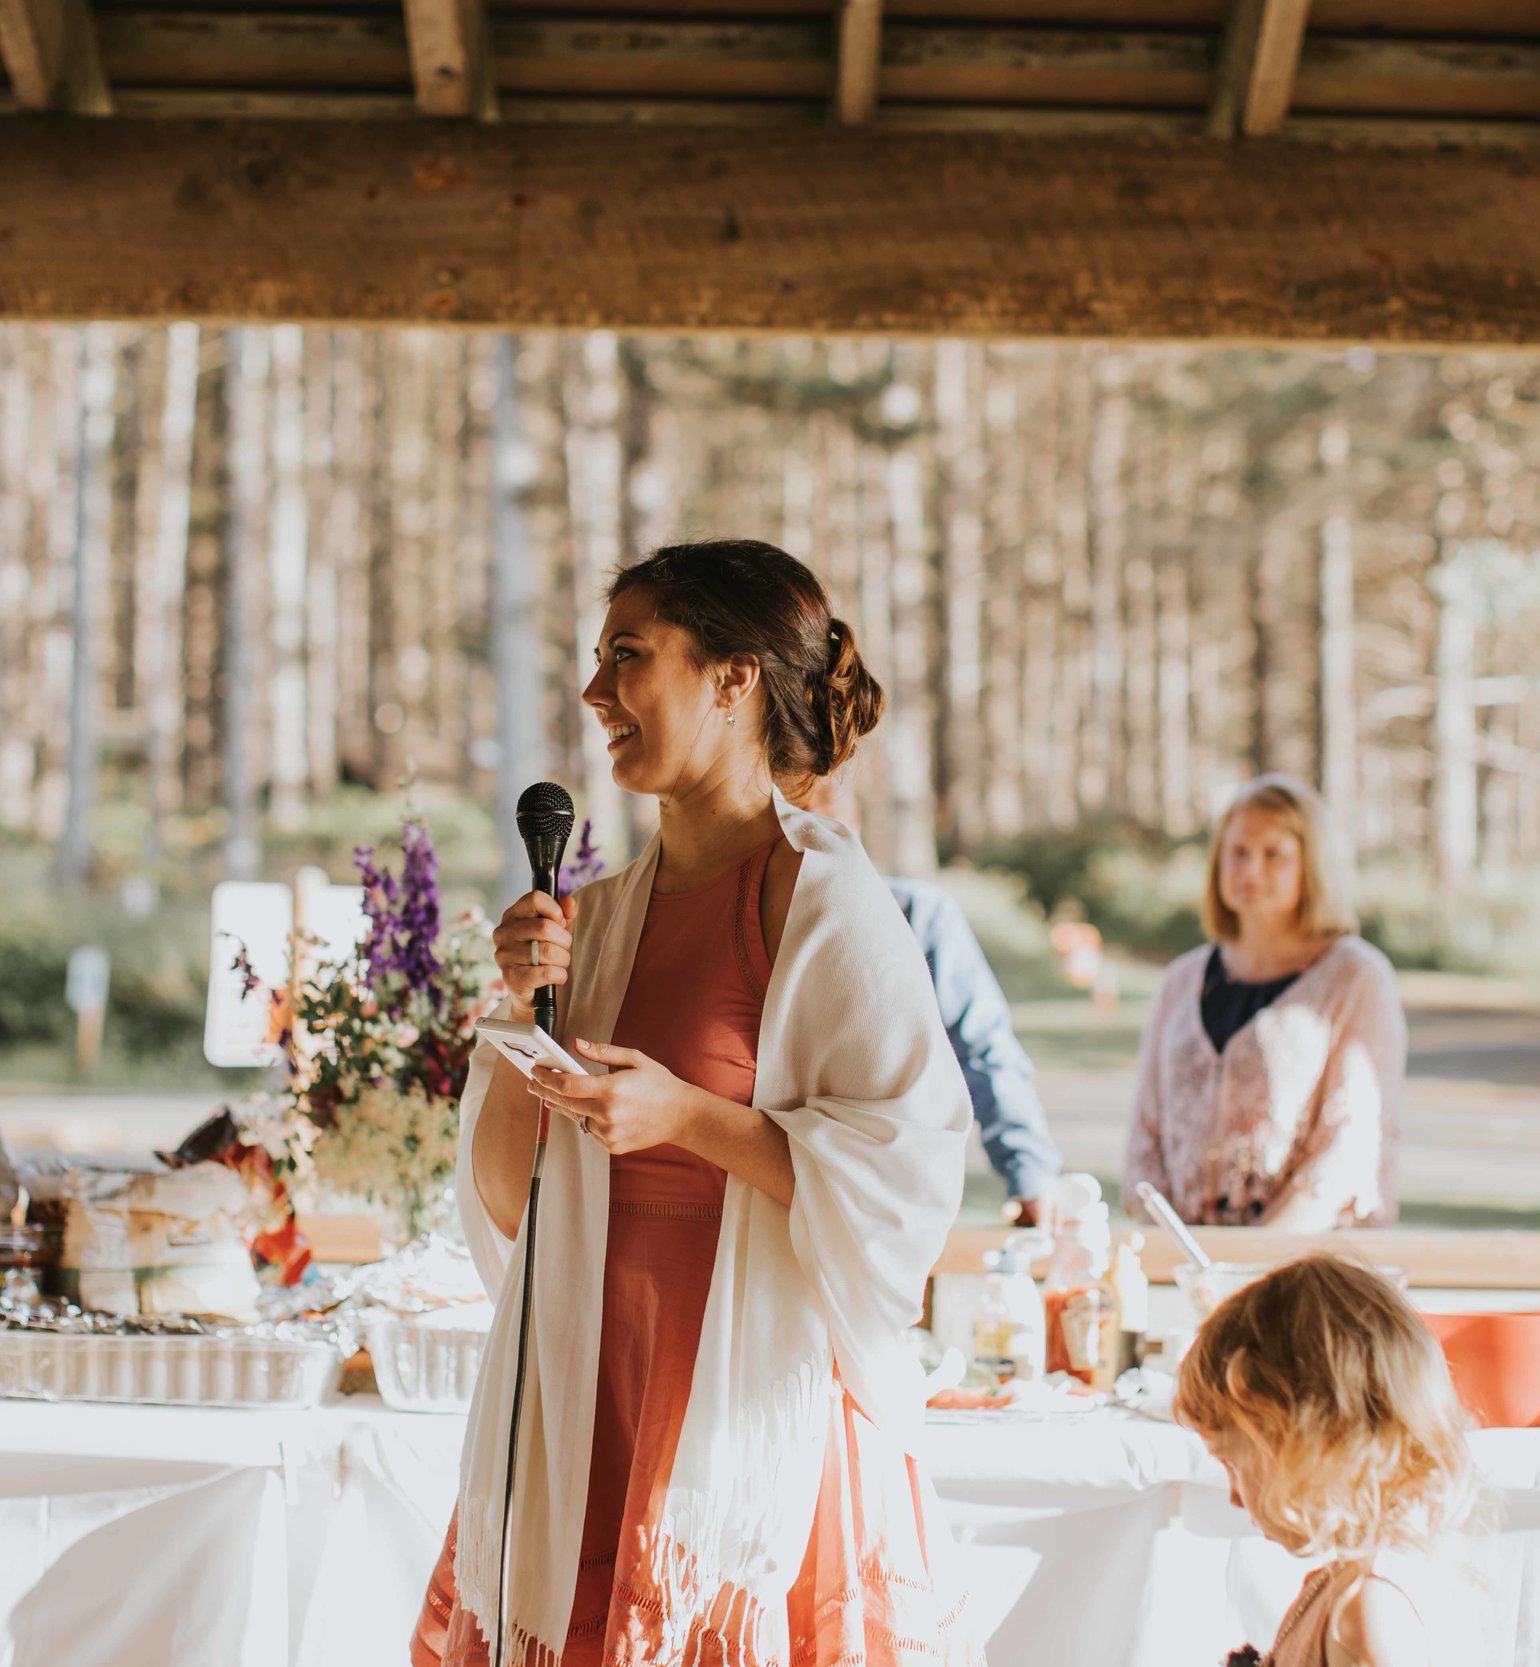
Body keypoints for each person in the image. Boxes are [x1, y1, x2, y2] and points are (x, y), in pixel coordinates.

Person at [414, 540, 981, 1667]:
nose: (594, 693)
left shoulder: (827, 901)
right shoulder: (600, 909)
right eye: (596, 659)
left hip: (742, 1408)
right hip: (586, 1390)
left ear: (735, 680)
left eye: (628, 655)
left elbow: (909, 1181)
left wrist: (692, 1119)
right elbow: (508, 1195)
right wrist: (511, 1009)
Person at [1124, 774, 1406, 1228]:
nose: (1250, 870)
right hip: (1184, 1263)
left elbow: (1348, 1147)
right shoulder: (1181, 981)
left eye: (1274, 854)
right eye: (1237, 853)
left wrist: (1253, 1263)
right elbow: (1145, 1137)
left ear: (1311, 865)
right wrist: (1185, 1257)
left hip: (1307, 1266)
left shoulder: (1355, 978)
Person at [1175, 1256, 1486, 1667]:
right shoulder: (1338, 1584)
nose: (1233, 1496)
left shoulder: (1370, 1614)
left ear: (1318, 1447)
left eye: (1234, 1463)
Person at [806, 772, 1062, 1225]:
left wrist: (1029, 1171)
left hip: (897, 1199)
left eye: (831, 828)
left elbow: (985, 1047)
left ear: (857, 824)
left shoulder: (920, 918)